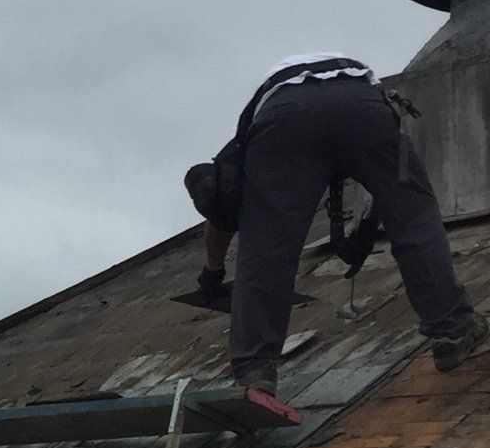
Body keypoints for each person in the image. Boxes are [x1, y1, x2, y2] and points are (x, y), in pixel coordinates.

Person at [197, 53, 486, 393]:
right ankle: (452, 330)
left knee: (267, 248)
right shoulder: (353, 84)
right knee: (414, 220)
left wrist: (212, 272)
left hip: (285, 117)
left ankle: (254, 372)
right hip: (362, 104)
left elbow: (221, 215)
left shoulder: (253, 133)